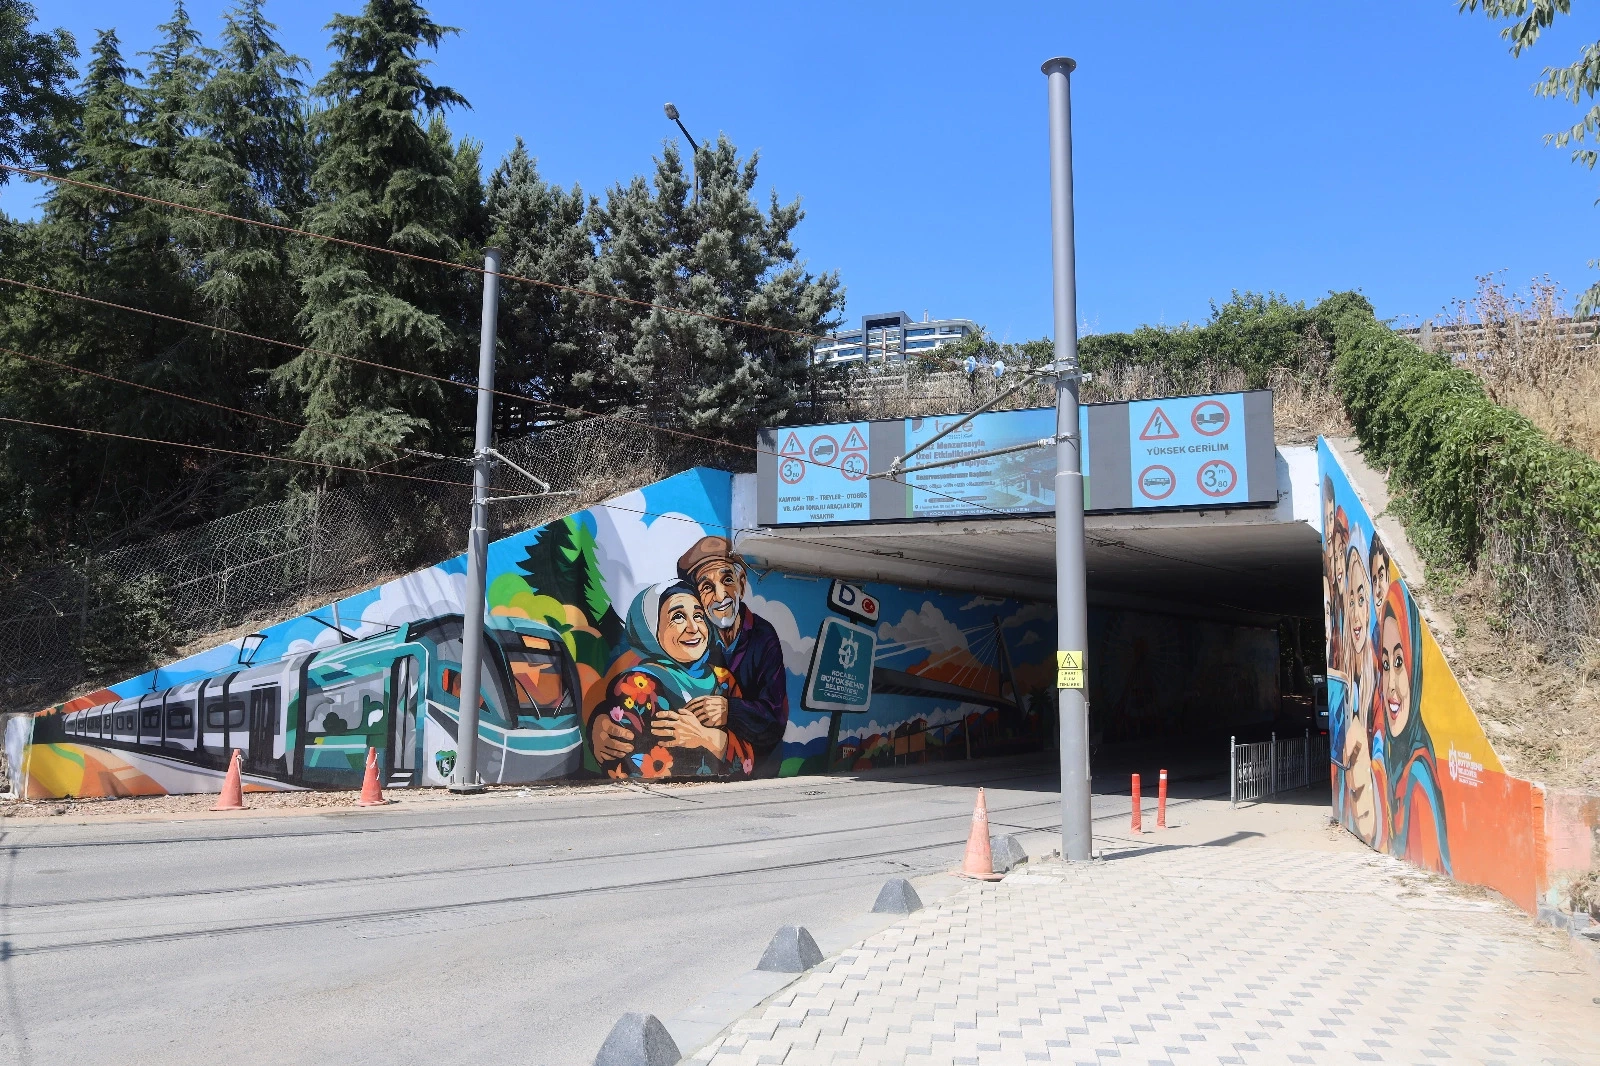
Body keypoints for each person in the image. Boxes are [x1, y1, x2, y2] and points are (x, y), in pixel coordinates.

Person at [587, 582, 755, 779]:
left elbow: (747, 763)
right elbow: (619, 764)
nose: (693, 628)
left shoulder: (723, 680)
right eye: (678, 617)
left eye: (698, 616)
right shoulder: (638, 685)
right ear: (651, 630)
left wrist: (704, 737)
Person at [675, 536, 790, 764]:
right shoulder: (692, 636)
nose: (721, 596)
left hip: (759, 767)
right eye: (707, 587)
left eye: (727, 580)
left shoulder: (763, 636)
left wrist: (730, 710)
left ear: (742, 583)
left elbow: (775, 718)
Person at [1377, 583, 1451, 873]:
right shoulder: (1394, 756)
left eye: (1399, 662)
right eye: (1385, 665)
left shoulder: (1418, 775)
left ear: (1415, 665)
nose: (1391, 684)